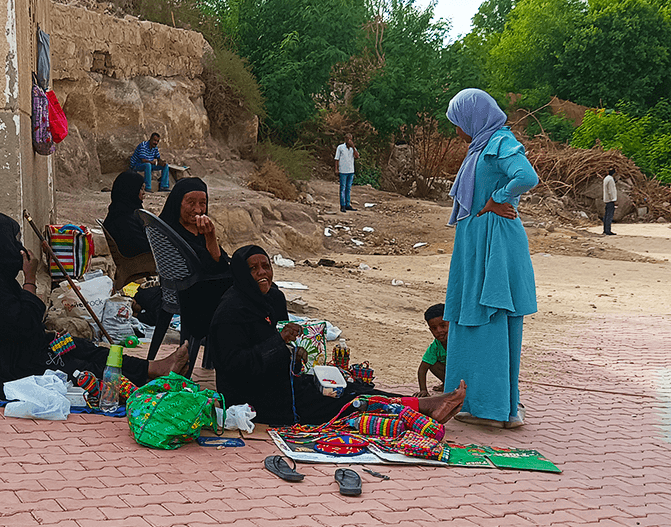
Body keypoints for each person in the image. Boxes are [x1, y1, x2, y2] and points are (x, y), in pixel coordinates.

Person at [0, 213, 188, 399]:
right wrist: (30, 279)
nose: (19, 248)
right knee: (74, 364)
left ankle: (151, 368)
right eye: (15, 240)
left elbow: (16, 326)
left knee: (77, 346)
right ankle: (148, 375)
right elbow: (25, 325)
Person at [211, 245, 466, 426]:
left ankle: (419, 406)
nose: (262, 273)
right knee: (346, 403)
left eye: (266, 266)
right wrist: (278, 344)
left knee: (350, 388)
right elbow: (233, 366)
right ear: (242, 275)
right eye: (253, 269)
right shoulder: (231, 311)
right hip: (252, 399)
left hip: (279, 383)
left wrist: (292, 353)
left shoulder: (270, 298)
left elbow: (275, 342)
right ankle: (422, 408)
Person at [444, 88, 538, 429]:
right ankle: (480, 401)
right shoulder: (480, 146)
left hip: (493, 241)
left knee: (491, 316)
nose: (456, 129)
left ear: (474, 117)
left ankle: (495, 407)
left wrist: (497, 197)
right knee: (473, 317)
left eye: (458, 121)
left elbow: (527, 176)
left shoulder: (499, 142)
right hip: (476, 241)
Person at [156, 177, 232, 375]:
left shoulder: (201, 230)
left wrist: (210, 236)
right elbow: (212, 269)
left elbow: (219, 263)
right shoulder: (170, 232)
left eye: (202, 203)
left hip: (206, 284)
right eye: (190, 203)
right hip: (192, 293)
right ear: (177, 203)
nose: (198, 209)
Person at [103, 171, 150, 257]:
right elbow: (144, 248)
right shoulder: (124, 220)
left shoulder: (120, 212)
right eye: (141, 189)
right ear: (131, 191)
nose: (144, 193)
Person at [415, 303, 448, 397]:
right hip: (448, 373)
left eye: (443, 325)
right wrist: (423, 390)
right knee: (431, 363)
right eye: (434, 328)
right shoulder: (435, 346)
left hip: (464, 376)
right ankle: (446, 383)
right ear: (430, 330)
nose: (439, 331)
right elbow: (422, 369)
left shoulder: (460, 342)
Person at [334, 134, 360, 212]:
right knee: (343, 188)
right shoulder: (340, 147)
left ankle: (348, 204)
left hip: (351, 171)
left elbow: (357, 156)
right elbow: (336, 159)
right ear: (345, 140)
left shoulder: (353, 149)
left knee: (348, 188)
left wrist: (353, 147)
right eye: (348, 139)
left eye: (350, 139)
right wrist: (336, 169)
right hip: (343, 171)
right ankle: (342, 205)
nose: (349, 141)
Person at [603, 167, 617, 236]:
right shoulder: (610, 180)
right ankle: (608, 231)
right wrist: (613, 199)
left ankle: (605, 230)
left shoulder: (606, 179)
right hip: (610, 200)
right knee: (609, 216)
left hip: (606, 199)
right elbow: (611, 191)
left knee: (606, 215)